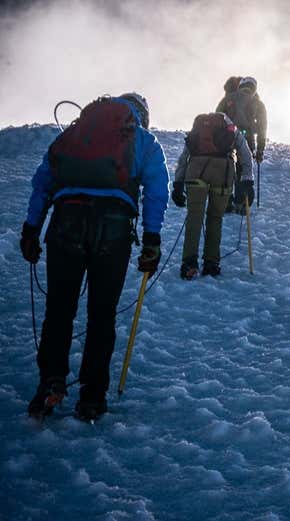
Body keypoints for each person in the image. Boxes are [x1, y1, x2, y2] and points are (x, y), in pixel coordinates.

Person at [20, 93, 169, 421]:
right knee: (102, 314)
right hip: (112, 229)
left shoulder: (75, 134)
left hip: (65, 222)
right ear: (140, 116)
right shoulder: (143, 140)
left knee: (59, 309)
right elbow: (156, 191)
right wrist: (152, 240)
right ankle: (92, 396)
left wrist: (31, 229)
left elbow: (43, 182)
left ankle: (50, 381)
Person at [171, 112, 255, 279]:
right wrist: (247, 180)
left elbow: (184, 155)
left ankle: (189, 262)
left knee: (194, 216)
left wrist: (178, 182)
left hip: (196, 169)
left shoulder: (198, 126)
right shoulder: (231, 127)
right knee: (215, 217)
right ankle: (211, 263)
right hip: (222, 172)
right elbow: (244, 152)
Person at [216, 76, 267, 213]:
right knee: (243, 167)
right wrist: (260, 150)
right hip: (247, 137)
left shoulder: (229, 98)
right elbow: (262, 128)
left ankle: (225, 201)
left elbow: (217, 116)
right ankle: (241, 202)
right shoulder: (258, 103)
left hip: (227, 136)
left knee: (227, 166)